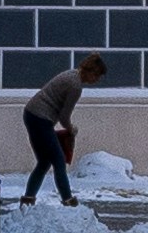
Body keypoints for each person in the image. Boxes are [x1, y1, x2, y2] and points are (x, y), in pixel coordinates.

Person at [21, 49, 104, 207]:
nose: (97, 80)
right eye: (97, 76)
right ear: (90, 72)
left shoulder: (71, 74)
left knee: (44, 162)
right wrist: (71, 129)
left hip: (31, 114)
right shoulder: (75, 86)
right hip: (41, 119)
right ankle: (68, 200)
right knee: (58, 160)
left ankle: (28, 199)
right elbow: (64, 116)